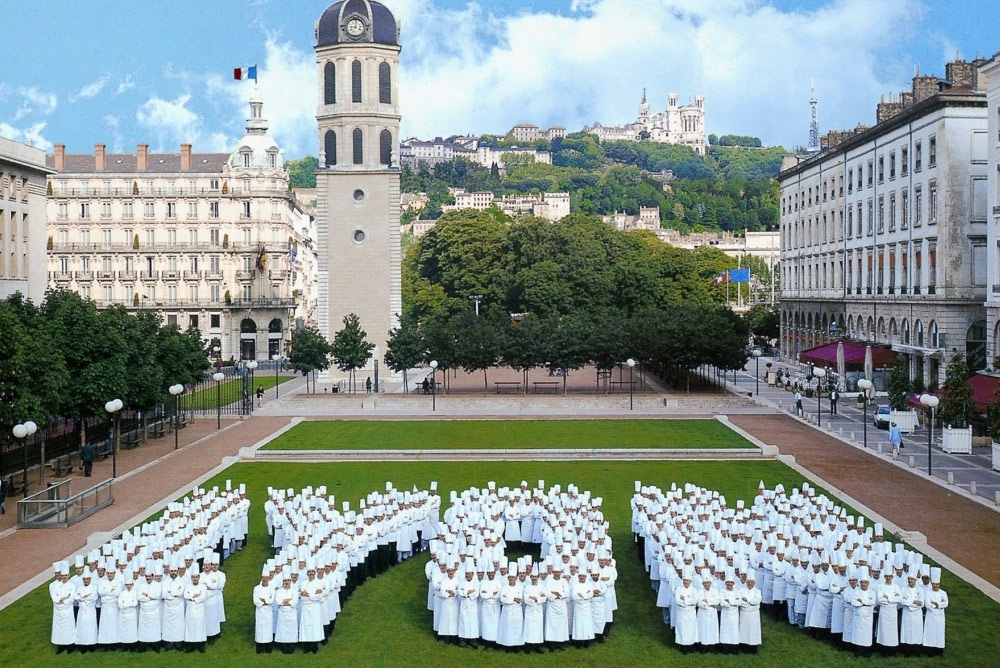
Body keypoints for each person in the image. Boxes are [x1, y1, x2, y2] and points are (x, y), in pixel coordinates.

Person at [922, 567, 947, 654]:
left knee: (939, 632)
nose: (935, 586)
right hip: (931, 615)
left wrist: (937, 604)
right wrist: (938, 604)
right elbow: (928, 604)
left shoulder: (943, 593)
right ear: (931, 584)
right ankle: (930, 650)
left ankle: (939, 650)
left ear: (939, 584)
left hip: (940, 616)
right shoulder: (928, 592)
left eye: (937, 584)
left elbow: (945, 603)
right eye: (933, 584)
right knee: (930, 631)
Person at [738, 575, 762, 651]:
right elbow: (741, 602)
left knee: (754, 630)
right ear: (746, 582)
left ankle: (753, 648)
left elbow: (757, 601)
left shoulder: (758, 591)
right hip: (744, 613)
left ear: (754, 583)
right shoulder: (742, 591)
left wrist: (747, 600)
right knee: (744, 631)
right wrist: (751, 602)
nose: (750, 584)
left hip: (754, 614)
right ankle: (744, 647)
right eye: (748, 582)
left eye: (752, 582)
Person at [253, 572, 274, 653]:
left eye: (266, 577)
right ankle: (259, 647)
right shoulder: (256, 588)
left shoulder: (271, 588)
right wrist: (266, 600)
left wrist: (264, 600)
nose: (265, 579)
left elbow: (272, 600)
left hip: (268, 611)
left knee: (268, 629)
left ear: (268, 578)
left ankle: (268, 648)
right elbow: (255, 601)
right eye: (263, 577)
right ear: (261, 578)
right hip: (260, 611)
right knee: (259, 628)